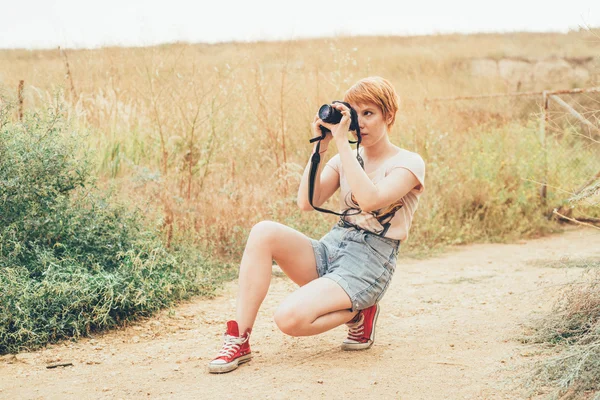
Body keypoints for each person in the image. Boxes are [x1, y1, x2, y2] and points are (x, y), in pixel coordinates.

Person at [208, 76, 425, 374]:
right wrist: (320, 148)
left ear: (389, 115)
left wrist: (341, 144)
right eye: (354, 113)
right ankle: (239, 338)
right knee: (263, 231)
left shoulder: (409, 163)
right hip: (333, 246)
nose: (359, 122)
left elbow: (370, 200)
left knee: (288, 319)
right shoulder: (344, 157)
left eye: (369, 113)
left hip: (370, 263)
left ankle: (360, 313)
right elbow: (307, 202)